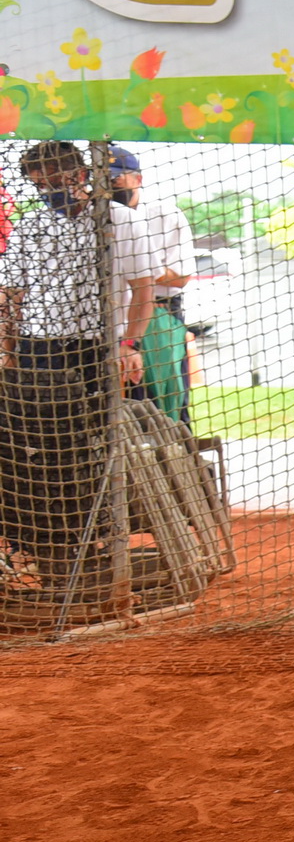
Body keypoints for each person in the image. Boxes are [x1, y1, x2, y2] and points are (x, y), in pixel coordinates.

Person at [0, 141, 159, 587]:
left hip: (94, 348)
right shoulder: (32, 225)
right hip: (36, 348)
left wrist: (129, 344)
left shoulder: (119, 220)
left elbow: (144, 289)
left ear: (80, 173)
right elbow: (12, 294)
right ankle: (41, 545)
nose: (48, 186)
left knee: (87, 448)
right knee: (32, 450)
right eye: (39, 181)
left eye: (56, 177)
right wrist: (8, 347)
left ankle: (96, 544)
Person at [108, 146, 193, 423]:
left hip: (159, 315)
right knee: (115, 408)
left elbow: (181, 276)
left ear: (137, 179)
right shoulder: (96, 216)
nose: (110, 187)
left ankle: (177, 459)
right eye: (103, 181)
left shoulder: (165, 214)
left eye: (115, 180)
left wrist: (139, 271)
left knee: (163, 405)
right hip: (109, 317)